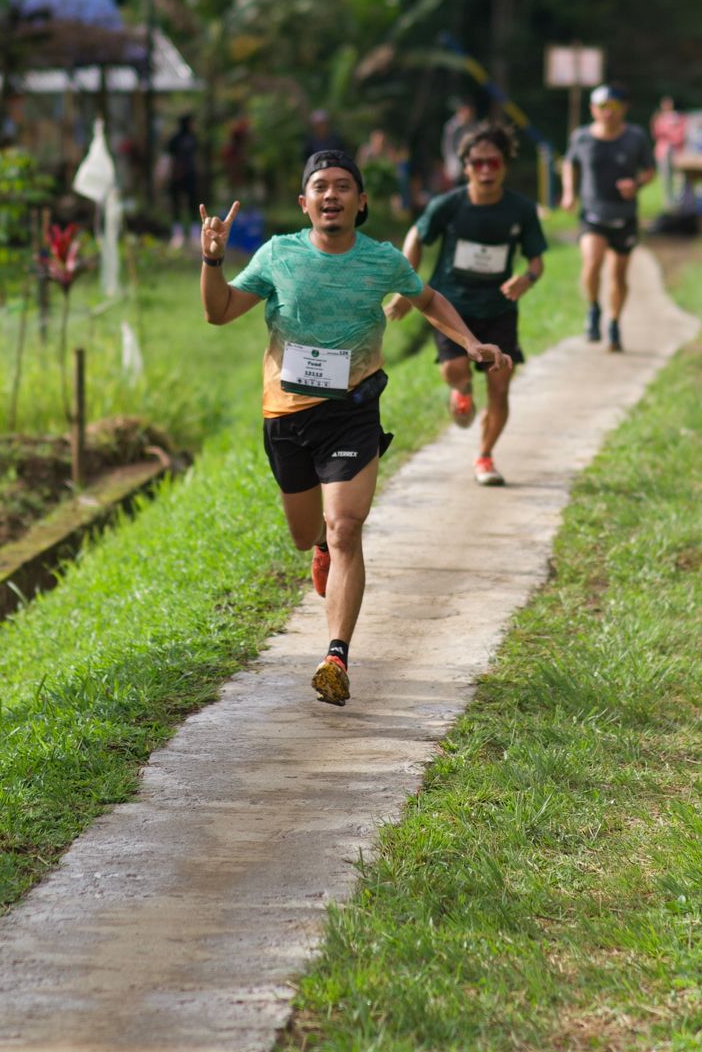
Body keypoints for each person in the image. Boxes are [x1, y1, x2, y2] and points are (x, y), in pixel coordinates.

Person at [199, 149, 510, 707]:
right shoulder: (278, 255)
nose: (332, 195)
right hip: (286, 416)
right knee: (307, 535)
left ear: (360, 202)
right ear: (304, 203)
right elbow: (218, 313)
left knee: (345, 527)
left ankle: (336, 655)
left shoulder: (382, 260)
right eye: (320, 186)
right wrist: (213, 262)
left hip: (352, 410)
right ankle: (317, 543)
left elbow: (428, 299)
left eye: (343, 186)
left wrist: (471, 343)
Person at [385, 123, 547, 487]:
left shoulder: (520, 210)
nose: (486, 170)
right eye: (478, 163)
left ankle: (485, 456)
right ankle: (460, 391)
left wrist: (527, 279)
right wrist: (406, 290)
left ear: (505, 164)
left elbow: (536, 261)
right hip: (452, 306)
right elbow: (416, 235)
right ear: (465, 166)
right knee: (453, 371)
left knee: (501, 385)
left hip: (499, 308)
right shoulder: (448, 205)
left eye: (494, 162)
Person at [561, 84, 656, 352]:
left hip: (624, 215)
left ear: (623, 108)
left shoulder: (635, 137)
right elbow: (570, 163)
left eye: (613, 107)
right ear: (593, 109)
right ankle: (593, 309)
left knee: (618, 274)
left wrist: (636, 183)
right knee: (592, 263)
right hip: (592, 213)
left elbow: (650, 170)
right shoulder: (581, 137)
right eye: (603, 107)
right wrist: (569, 192)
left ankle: (614, 322)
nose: (608, 113)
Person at [166, 113, 199, 245]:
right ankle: (177, 234)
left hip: (190, 175)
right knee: (176, 204)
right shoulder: (175, 140)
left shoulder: (193, 138)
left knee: (193, 204)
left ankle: (195, 234)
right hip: (177, 176)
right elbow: (168, 158)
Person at [650, 95, 686, 207]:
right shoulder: (659, 118)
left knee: (681, 177)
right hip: (663, 151)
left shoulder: (681, 117)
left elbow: (682, 134)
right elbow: (657, 133)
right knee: (665, 177)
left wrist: (671, 135)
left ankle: (680, 200)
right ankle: (669, 202)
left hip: (678, 151)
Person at [440, 98, 477, 186]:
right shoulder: (452, 127)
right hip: (456, 164)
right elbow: (448, 148)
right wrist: (452, 164)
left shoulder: (473, 126)